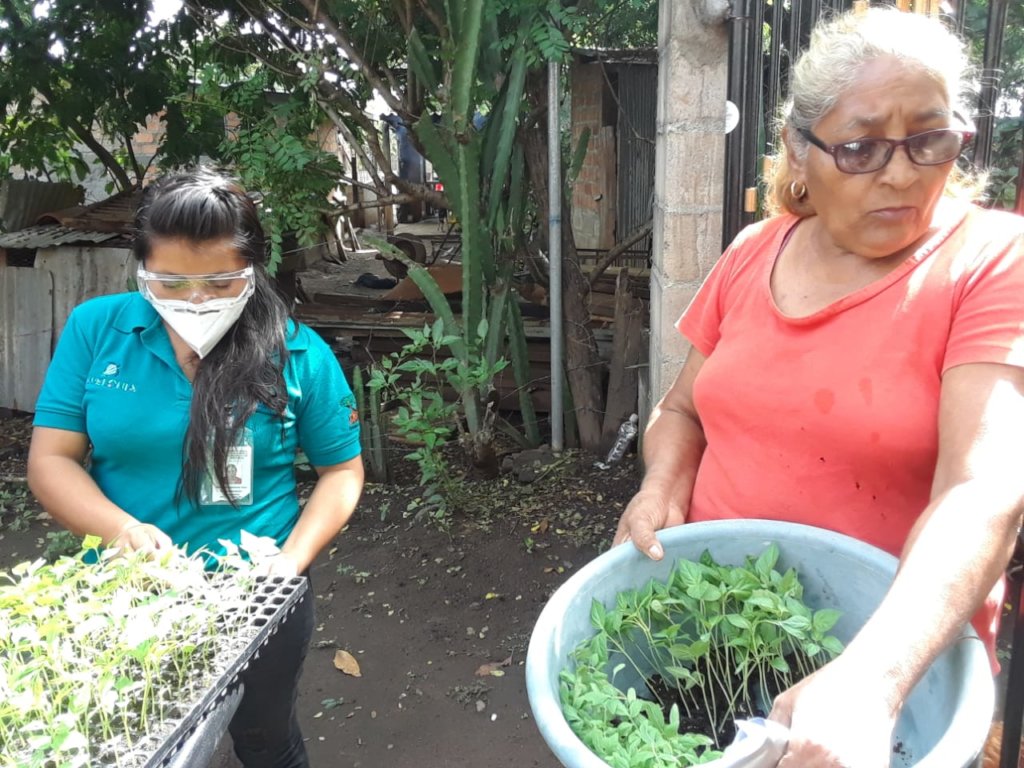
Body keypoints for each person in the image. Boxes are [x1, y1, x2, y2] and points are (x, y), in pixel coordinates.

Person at [614, 7, 1024, 767]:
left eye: (929, 138)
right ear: (798, 151)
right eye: (862, 147)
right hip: (714, 631)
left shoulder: (995, 261)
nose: (901, 174)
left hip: (893, 665)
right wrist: (663, 481)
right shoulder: (752, 252)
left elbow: (984, 492)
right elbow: (681, 411)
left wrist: (874, 679)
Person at [27, 168, 365, 768]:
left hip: (259, 598)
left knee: (265, 738)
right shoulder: (96, 331)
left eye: (219, 280)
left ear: (254, 269)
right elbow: (52, 461)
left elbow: (342, 473)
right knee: (139, 739)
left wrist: (289, 564)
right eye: (172, 281)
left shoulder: (297, 352)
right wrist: (123, 533)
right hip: (127, 593)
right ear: (141, 270)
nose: (196, 299)